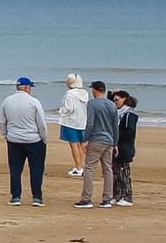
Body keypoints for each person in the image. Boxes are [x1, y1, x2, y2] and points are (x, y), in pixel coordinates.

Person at [0, 77, 47, 206]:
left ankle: (15, 196)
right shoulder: (34, 102)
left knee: (15, 169)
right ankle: (37, 197)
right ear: (26, 88)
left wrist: (6, 135)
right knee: (36, 169)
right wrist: (44, 138)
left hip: (14, 139)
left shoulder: (7, 101)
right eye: (30, 87)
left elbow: (2, 121)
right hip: (33, 139)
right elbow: (41, 123)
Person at [75, 80, 118, 208]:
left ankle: (86, 199)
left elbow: (90, 123)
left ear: (94, 90)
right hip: (109, 140)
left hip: (96, 140)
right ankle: (107, 199)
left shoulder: (92, 103)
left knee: (89, 168)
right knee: (107, 169)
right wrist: (115, 142)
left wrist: (85, 139)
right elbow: (115, 126)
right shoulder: (112, 104)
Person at [57, 74, 90, 175]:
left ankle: (78, 168)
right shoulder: (85, 93)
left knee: (74, 145)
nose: (66, 82)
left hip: (71, 122)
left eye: (68, 81)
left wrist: (61, 111)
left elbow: (69, 108)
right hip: (82, 122)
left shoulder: (70, 94)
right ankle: (81, 167)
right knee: (81, 145)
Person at [111, 91, 138, 206]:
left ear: (124, 99)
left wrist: (117, 139)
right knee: (115, 173)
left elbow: (129, 132)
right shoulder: (119, 113)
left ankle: (127, 196)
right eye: (114, 100)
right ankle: (117, 195)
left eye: (117, 100)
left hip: (124, 148)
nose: (115, 102)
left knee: (123, 172)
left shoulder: (129, 114)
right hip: (116, 146)